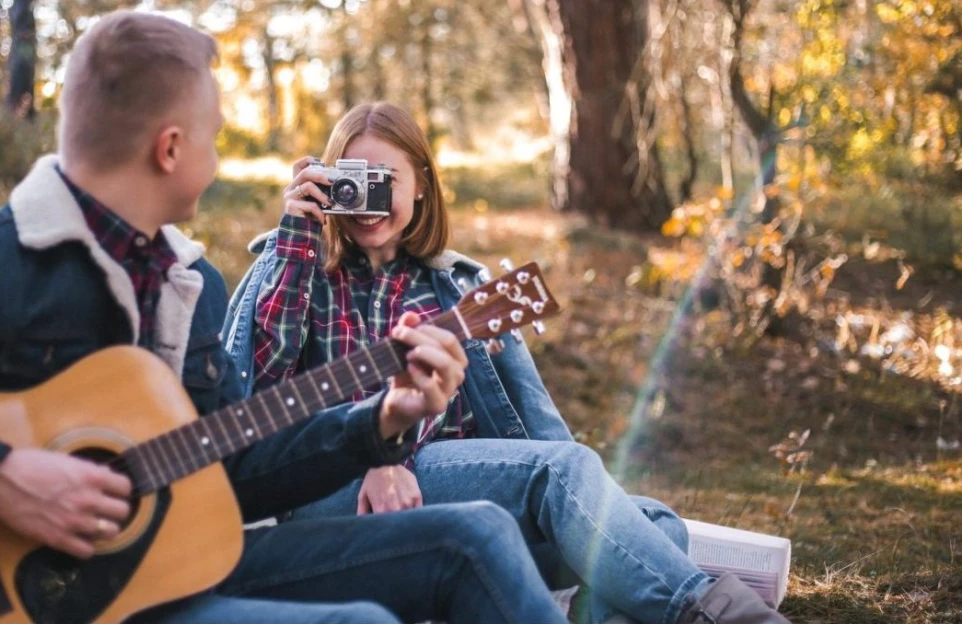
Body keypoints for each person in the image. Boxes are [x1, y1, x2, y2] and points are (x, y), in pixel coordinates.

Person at [0, 14, 569, 624]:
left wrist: (378, 422)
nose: (221, 155)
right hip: (14, 597)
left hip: (157, 564)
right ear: (171, 149)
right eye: (216, 135)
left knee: (472, 537)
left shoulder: (185, 287)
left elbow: (238, 469)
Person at [224, 101, 791, 624]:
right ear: (323, 182)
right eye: (351, 180)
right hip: (325, 493)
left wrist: (431, 427)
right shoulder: (298, 272)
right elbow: (260, 389)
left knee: (655, 524)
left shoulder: (460, 291)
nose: (367, 202)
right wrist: (294, 240)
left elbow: (533, 431)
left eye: (385, 181)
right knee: (569, 477)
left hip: (443, 486)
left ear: (421, 185)